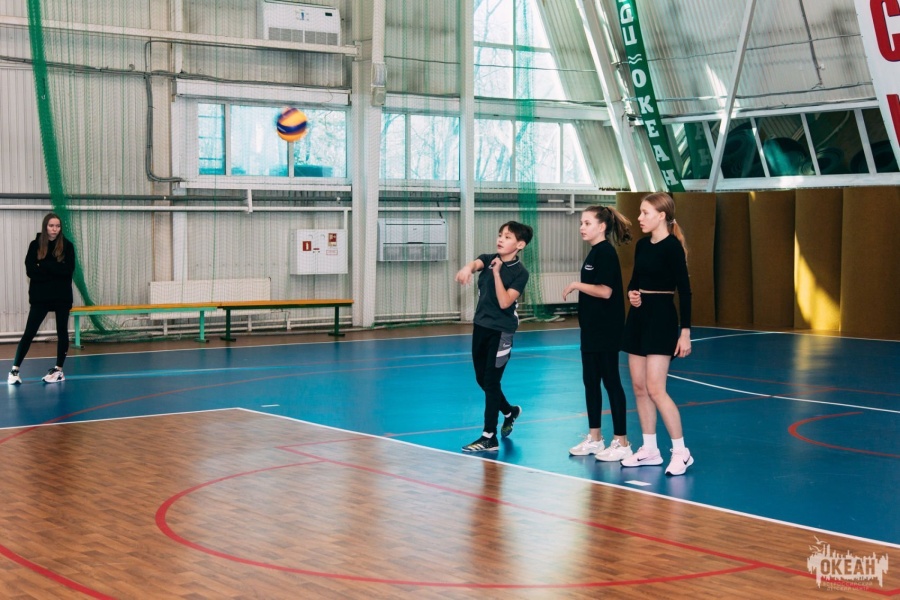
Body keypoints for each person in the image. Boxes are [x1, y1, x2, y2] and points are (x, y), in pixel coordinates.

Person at [619, 192, 693, 476]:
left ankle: (682, 452)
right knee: (639, 387)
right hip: (638, 318)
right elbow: (634, 281)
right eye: (640, 212)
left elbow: (685, 291)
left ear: (662, 215)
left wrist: (685, 333)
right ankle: (650, 450)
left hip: (662, 319)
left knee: (656, 389)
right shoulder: (641, 245)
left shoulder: (673, 247)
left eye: (645, 213)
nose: (639, 218)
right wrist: (632, 294)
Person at [562, 205, 634, 461]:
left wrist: (576, 284)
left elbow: (605, 291)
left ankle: (622, 442)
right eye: (581, 223)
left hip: (606, 329)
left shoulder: (606, 253)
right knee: (590, 381)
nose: (582, 227)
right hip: (591, 330)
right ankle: (595, 439)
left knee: (611, 382)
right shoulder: (594, 253)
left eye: (587, 223)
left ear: (602, 227)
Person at [455, 221, 533, 452]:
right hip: (481, 327)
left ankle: (489, 436)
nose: (500, 239)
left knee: (491, 382)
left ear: (520, 245)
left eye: (507, 237)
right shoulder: (489, 259)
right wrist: (467, 269)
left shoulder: (520, 273)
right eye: (500, 235)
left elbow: (505, 301)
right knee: (482, 379)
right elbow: (476, 263)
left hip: (502, 331)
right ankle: (510, 412)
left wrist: (497, 273)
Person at [7, 213, 77, 385]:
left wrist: (43, 265)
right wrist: (55, 268)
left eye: (57, 226)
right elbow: (31, 270)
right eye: (51, 225)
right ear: (45, 226)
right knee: (29, 333)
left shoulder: (67, 246)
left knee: (62, 332)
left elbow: (67, 271)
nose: (54, 229)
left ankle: (58, 370)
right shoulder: (35, 245)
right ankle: (14, 370)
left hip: (61, 297)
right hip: (40, 297)